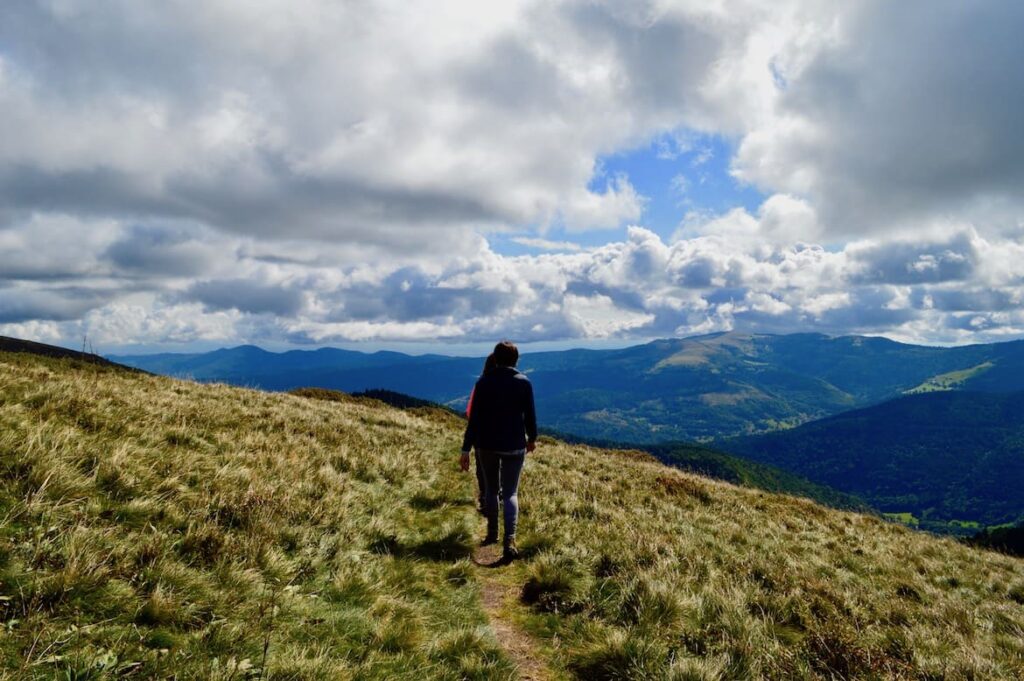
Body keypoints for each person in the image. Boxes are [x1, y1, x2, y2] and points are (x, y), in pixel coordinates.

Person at [460, 340, 537, 562]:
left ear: (495, 358)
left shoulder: (483, 383)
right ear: (516, 359)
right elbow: (529, 416)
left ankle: (492, 533)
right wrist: (532, 439)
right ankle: (509, 540)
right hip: (514, 444)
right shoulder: (524, 383)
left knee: (491, 490)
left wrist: (466, 449)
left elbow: (473, 420)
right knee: (511, 493)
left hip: (487, 444)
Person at [465, 353, 497, 513]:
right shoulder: (516, 384)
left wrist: (465, 448)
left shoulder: (481, 384)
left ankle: (486, 500)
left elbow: (471, 414)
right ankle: (500, 500)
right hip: (507, 436)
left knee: (483, 470)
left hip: (482, 437)